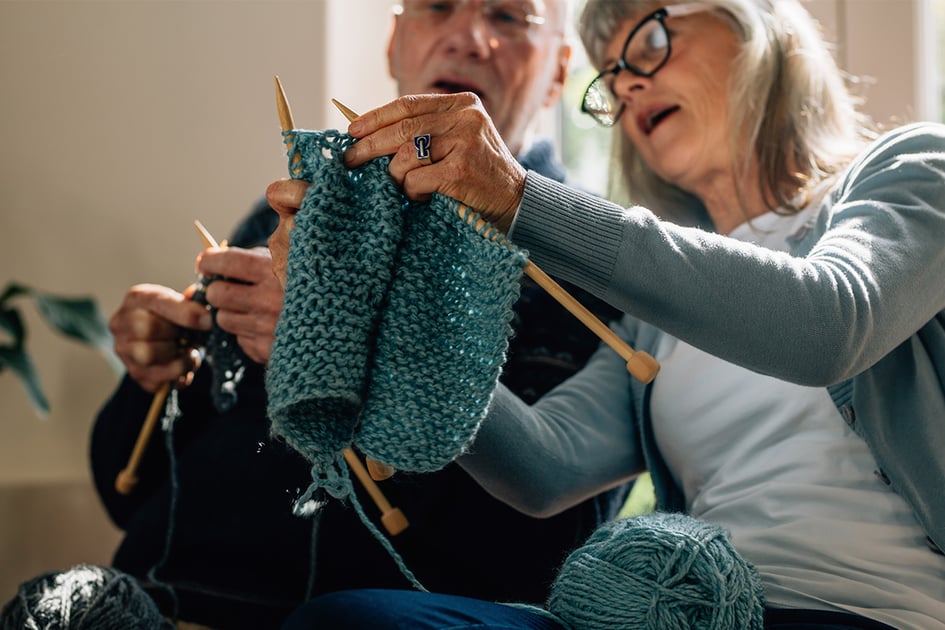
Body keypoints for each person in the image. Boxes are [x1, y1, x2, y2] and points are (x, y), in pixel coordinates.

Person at [267, 0, 945, 628]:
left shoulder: (914, 168)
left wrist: (519, 199)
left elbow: (827, 322)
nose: (624, 85)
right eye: (611, 76)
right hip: (686, 611)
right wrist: (382, 310)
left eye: (649, 41)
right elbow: (544, 468)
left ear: (760, 29)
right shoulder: (659, 316)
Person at [90, 1, 633, 628]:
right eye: (437, 6)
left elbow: (542, 555)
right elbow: (123, 492)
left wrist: (349, 344)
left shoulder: (581, 262)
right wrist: (154, 377)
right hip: (160, 601)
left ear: (560, 70)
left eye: (509, 16)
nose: (469, 38)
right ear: (395, 43)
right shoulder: (294, 218)